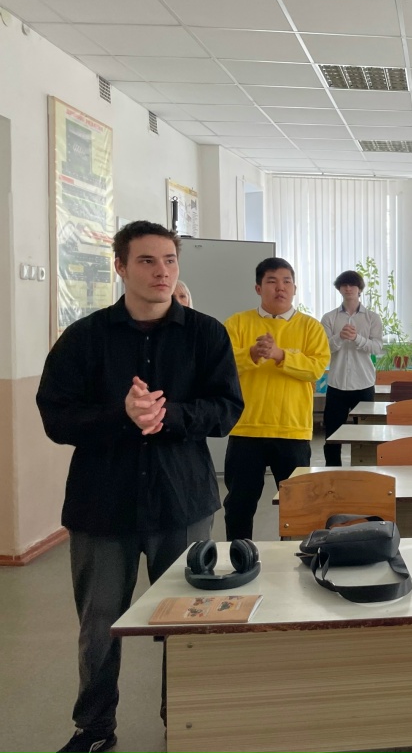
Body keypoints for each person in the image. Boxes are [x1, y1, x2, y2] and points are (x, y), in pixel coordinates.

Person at [37, 221, 243, 753]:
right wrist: (121, 415)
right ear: (121, 267)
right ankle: (94, 728)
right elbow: (56, 417)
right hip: (102, 505)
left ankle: (185, 723)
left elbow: (226, 409)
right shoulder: (84, 338)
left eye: (169, 260)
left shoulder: (206, 334)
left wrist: (168, 415)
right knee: (99, 623)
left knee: (186, 620)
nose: (161, 271)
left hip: (182, 502)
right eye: (147, 260)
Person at [223, 258, 330, 540]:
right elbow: (221, 364)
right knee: (239, 505)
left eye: (286, 281)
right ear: (258, 288)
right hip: (246, 428)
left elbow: (316, 369)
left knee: (298, 507)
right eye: (271, 281)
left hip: (292, 430)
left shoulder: (310, 327)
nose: (280, 287)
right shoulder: (237, 323)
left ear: (295, 288)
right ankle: (240, 557)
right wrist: (252, 354)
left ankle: (297, 558)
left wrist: (280, 355)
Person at [319, 270, 382, 466]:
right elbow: (322, 348)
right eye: (344, 285)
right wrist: (340, 337)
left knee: (365, 434)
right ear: (339, 289)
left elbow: (377, 348)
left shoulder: (372, 318)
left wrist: (357, 338)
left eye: (352, 285)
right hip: (337, 384)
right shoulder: (329, 318)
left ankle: (363, 472)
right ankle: (332, 472)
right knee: (332, 435)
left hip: (364, 383)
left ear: (359, 289)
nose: (348, 288)